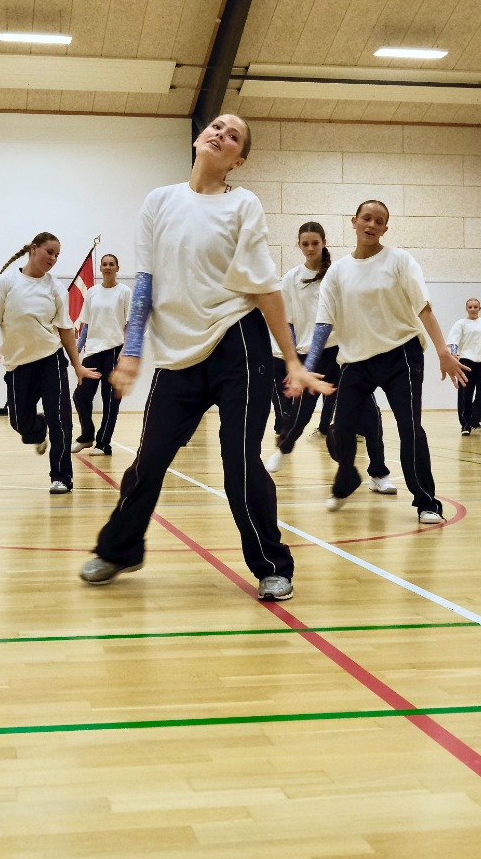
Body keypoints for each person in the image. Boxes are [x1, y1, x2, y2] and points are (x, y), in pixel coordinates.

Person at [81, 114, 329, 602]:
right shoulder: (159, 201)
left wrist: (292, 358)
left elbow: (264, 287)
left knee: (240, 462)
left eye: (233, 136)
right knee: (149, 459)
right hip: (178, 355)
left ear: (239, 160)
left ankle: (272, 565)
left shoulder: (243, 204)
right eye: (216, 127)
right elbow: (146, 282)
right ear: (199, 138)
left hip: (239, 344)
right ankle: (119, 549)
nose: (220, 134)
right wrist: (133, 350)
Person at [306, 199, 467, 517]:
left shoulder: (400, 261)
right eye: (366, 218)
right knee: (339, 430)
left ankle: (426, 502)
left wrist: (443, 351)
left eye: (378, 221)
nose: (371, 225)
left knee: (410, 429)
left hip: (401, 355)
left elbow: (424, 308)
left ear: (385, 229)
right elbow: (323, 323)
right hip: (355, 360)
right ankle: (348, 476)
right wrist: (308, 366)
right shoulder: (337, 272)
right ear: (353, 221)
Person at [265, 222, 392, 495]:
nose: (310, 248)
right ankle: (284, 448)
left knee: (371, 414)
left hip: (344, 353)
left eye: (315, 243)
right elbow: (287, 322)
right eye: (305, 244)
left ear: (324, 242)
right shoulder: (291, 278)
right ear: (299, 245)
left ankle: (379, 473)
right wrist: (293, 357)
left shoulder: (338, 273)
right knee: (300, 413)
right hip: (310, 355)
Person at [0, 232, 100, 494]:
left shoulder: (55, 287)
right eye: (49, 252)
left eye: (57, 255)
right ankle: (37, 428)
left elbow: (65, 329)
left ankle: (61, 477)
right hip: (18, 365)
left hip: (51, 361)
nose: (53, 258)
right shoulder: (6, 282)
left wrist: (76, 364)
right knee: (20, 424)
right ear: (34, 249)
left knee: (61, 421)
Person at [71, 253, 131, 457]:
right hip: (93, 351)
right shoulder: (92, 292)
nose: (107, 267)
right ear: (100, 268)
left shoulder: (124, 292)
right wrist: (77, 349)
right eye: (104, 264)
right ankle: (87, 435)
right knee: (80, 395)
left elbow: (129, 324)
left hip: (115, 350)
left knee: (110, 399)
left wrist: (126, 352)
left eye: (111, 264)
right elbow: (86, 324)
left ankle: (104, 443)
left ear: (117, 268)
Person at [447, 297, 481, 436]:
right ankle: (466, 425)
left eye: (475, 307)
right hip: (466, 362)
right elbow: (454, 341)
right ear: (466, 308)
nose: (473, 309)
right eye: (470, 307)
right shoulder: (461, 324)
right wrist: (454, 354)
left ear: (480, 309)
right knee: (465, 394)